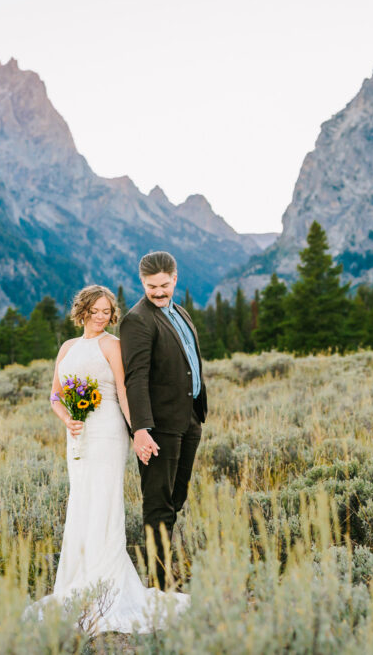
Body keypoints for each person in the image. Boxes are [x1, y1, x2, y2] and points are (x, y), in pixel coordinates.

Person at [26, 284, 188, 634]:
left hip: (108, 432)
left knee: (104, 503)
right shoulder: (67, 347)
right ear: (82, 310)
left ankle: (108, 588)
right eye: (95, 310)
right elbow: (55, 394)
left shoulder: (113, 345)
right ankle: (79, 583)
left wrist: (139, 432)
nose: (101, 317)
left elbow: (126, 391)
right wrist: (66, 418)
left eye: (106, 311)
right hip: (77, 436)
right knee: (81, 503)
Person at [120, 250, 208, 590]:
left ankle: (163, 574)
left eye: (164, 285)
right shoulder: (137, 320)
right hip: (158, 428)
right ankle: (158, 588)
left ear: (175, 278)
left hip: (189, 420)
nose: (158, 292)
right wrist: (140, 430)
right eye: (151, 286)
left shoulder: (179, 311)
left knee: (175, 500)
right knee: (158, 504)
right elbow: (136, 378)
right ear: (142, 282)